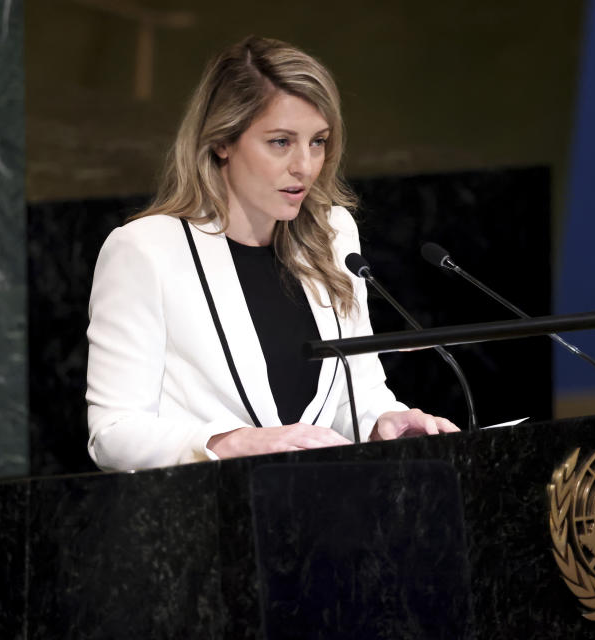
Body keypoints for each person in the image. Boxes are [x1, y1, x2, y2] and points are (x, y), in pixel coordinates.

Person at [85, 36, 458, 471]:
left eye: (318, 142)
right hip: (214, 520)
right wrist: (232, 442)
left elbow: (356, 395)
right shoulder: (145, 251)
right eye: (281, 142)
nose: (305, 165)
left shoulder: (333, 234)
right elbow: (113, 435)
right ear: (222, 140)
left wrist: (384, 422)